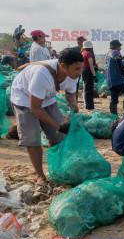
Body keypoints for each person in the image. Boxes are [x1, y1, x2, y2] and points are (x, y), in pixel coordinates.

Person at [9, 48, 83, 188]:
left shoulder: (73, 74)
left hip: (48, 99)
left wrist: (73, 102)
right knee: (33, 138)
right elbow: (35, 108)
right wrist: (59, 126)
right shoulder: (42, 76)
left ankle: (55, 169)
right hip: (24, 98)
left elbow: (69, 92)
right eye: (77, 69)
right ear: (63, 66)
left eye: (81, 69)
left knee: (58, 137)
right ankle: (40, 175)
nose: (80, 72)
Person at [105, 39, 124, 115]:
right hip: (118, 79)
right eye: (119, 46)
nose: (120, 48)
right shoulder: (116, 53)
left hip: (110, 80)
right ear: (116, 47)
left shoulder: (108, 54)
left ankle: (114, 116)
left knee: (114, 98)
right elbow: (118, 64)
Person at [82, 41, 97, 110]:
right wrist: (94, 75)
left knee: (85, 88)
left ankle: (86, 105)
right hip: (88, 71)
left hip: (84, 71)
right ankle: (90, 106)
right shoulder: (89, 54)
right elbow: (91, 65)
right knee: (89, 89)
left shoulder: (83, 53)